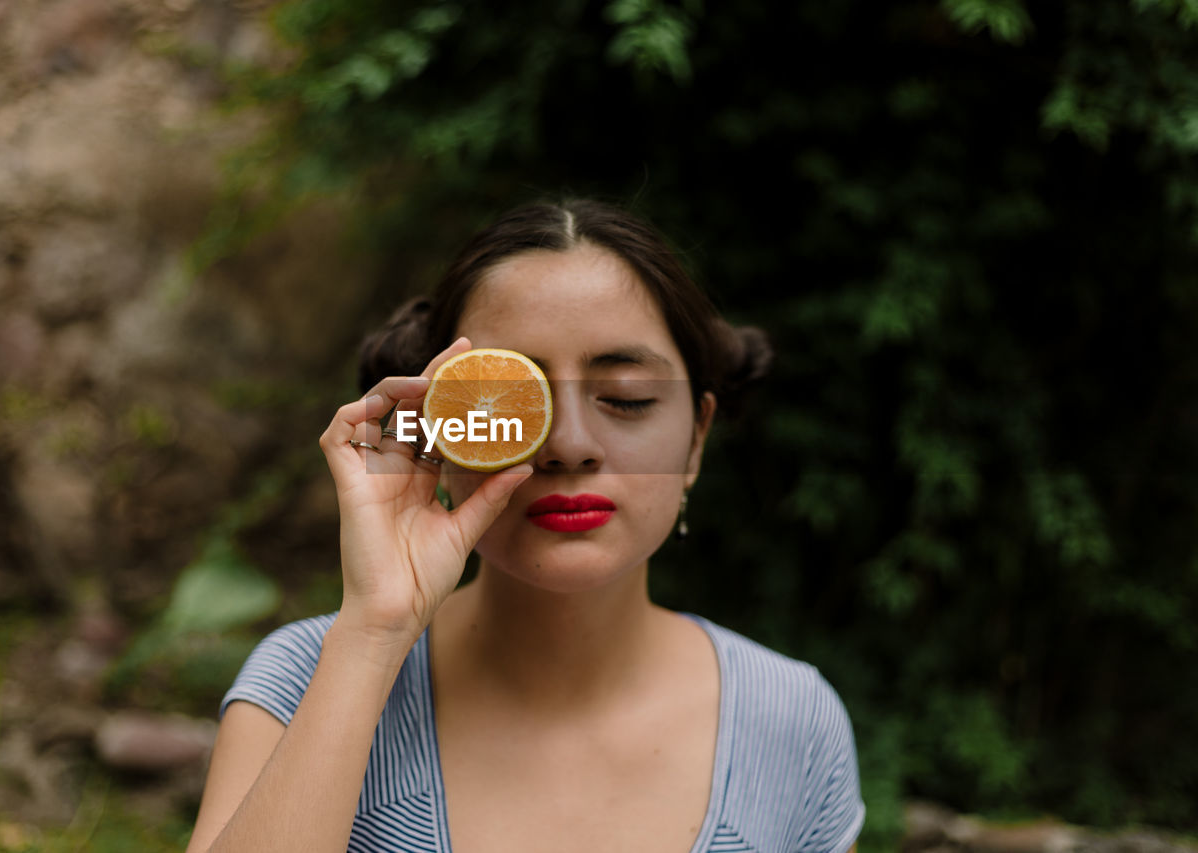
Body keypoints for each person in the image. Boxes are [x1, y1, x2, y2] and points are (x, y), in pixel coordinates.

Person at [185, 199, 865, 853]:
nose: (567, 442)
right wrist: (374, 630)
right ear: (440, 427)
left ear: (696, 439)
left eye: (625, 399)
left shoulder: (793, 723)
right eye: (513, 399)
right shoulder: (308, 680)